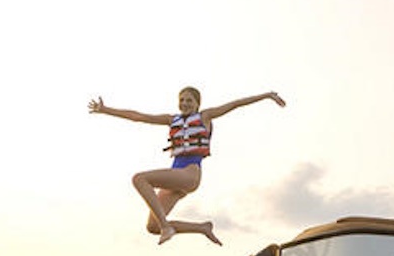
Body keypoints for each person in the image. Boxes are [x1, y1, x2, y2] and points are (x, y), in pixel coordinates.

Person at [89, 85, 286, 245]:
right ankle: (202, 228)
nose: (184, 103)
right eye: (181, 100)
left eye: (189, 100)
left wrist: (267, 95)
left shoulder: (205, 117)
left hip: (190, 174)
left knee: (139, 179)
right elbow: (139, 116)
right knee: (152, 227)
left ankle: (166, 227)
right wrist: (106, 110)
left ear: (198, 104)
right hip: (175, 178)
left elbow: (236, 104)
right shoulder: (171, 120)